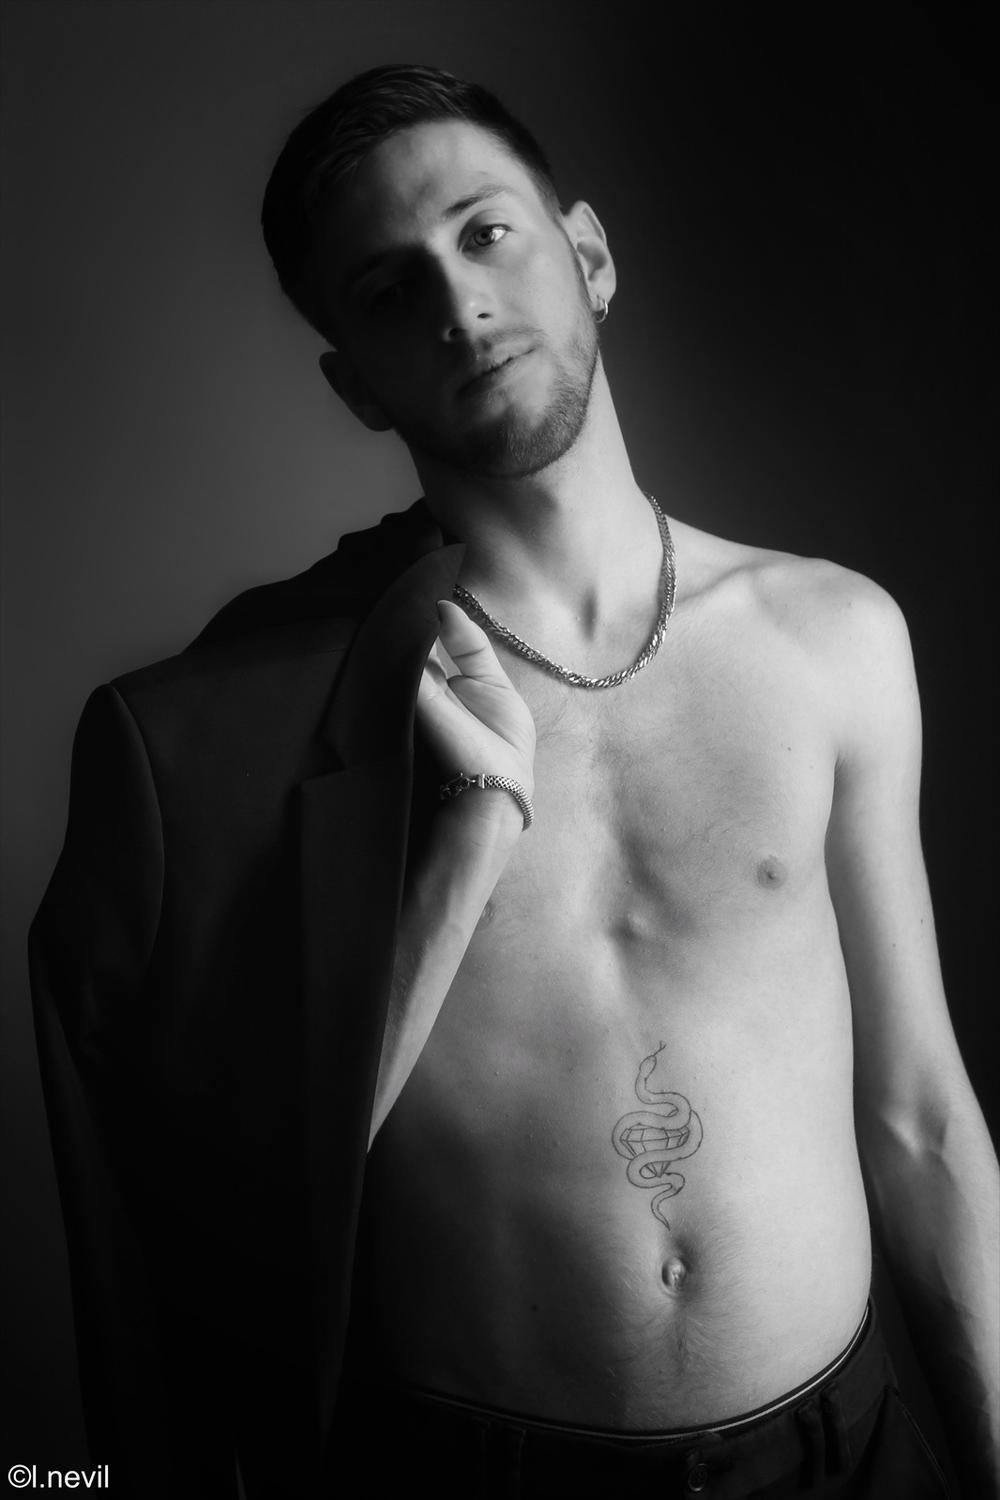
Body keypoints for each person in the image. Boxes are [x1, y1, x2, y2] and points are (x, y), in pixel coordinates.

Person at [31, 63, 997, 1500]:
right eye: (388, 290)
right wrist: (458, 855)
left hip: (843, 1460)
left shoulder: (833, 639)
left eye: (485, 233)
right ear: (355, 384)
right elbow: (220, 1226)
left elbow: (922, 1121)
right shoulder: (252, 724)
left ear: (589, 256)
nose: (459, 303)